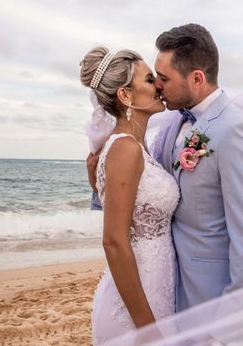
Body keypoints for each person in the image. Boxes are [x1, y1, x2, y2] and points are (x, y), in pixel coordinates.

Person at [87, 23, 243, 315]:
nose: (158, 86)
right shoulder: (172, 124)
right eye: (154, 78)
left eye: (163, 78)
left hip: (212, 301)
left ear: (197, 78)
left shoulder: (235, 132)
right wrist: (97, 181)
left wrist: (230, 323)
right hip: (167, 292)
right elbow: (139, 200)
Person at [80, 46, 179, 344]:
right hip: (136, 307)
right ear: (125, 96)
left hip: (156, 287)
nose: (159, 85)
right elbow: (113, 240)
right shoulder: (125, 148)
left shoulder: (137, 145)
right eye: (150, 80)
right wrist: (146, 327)